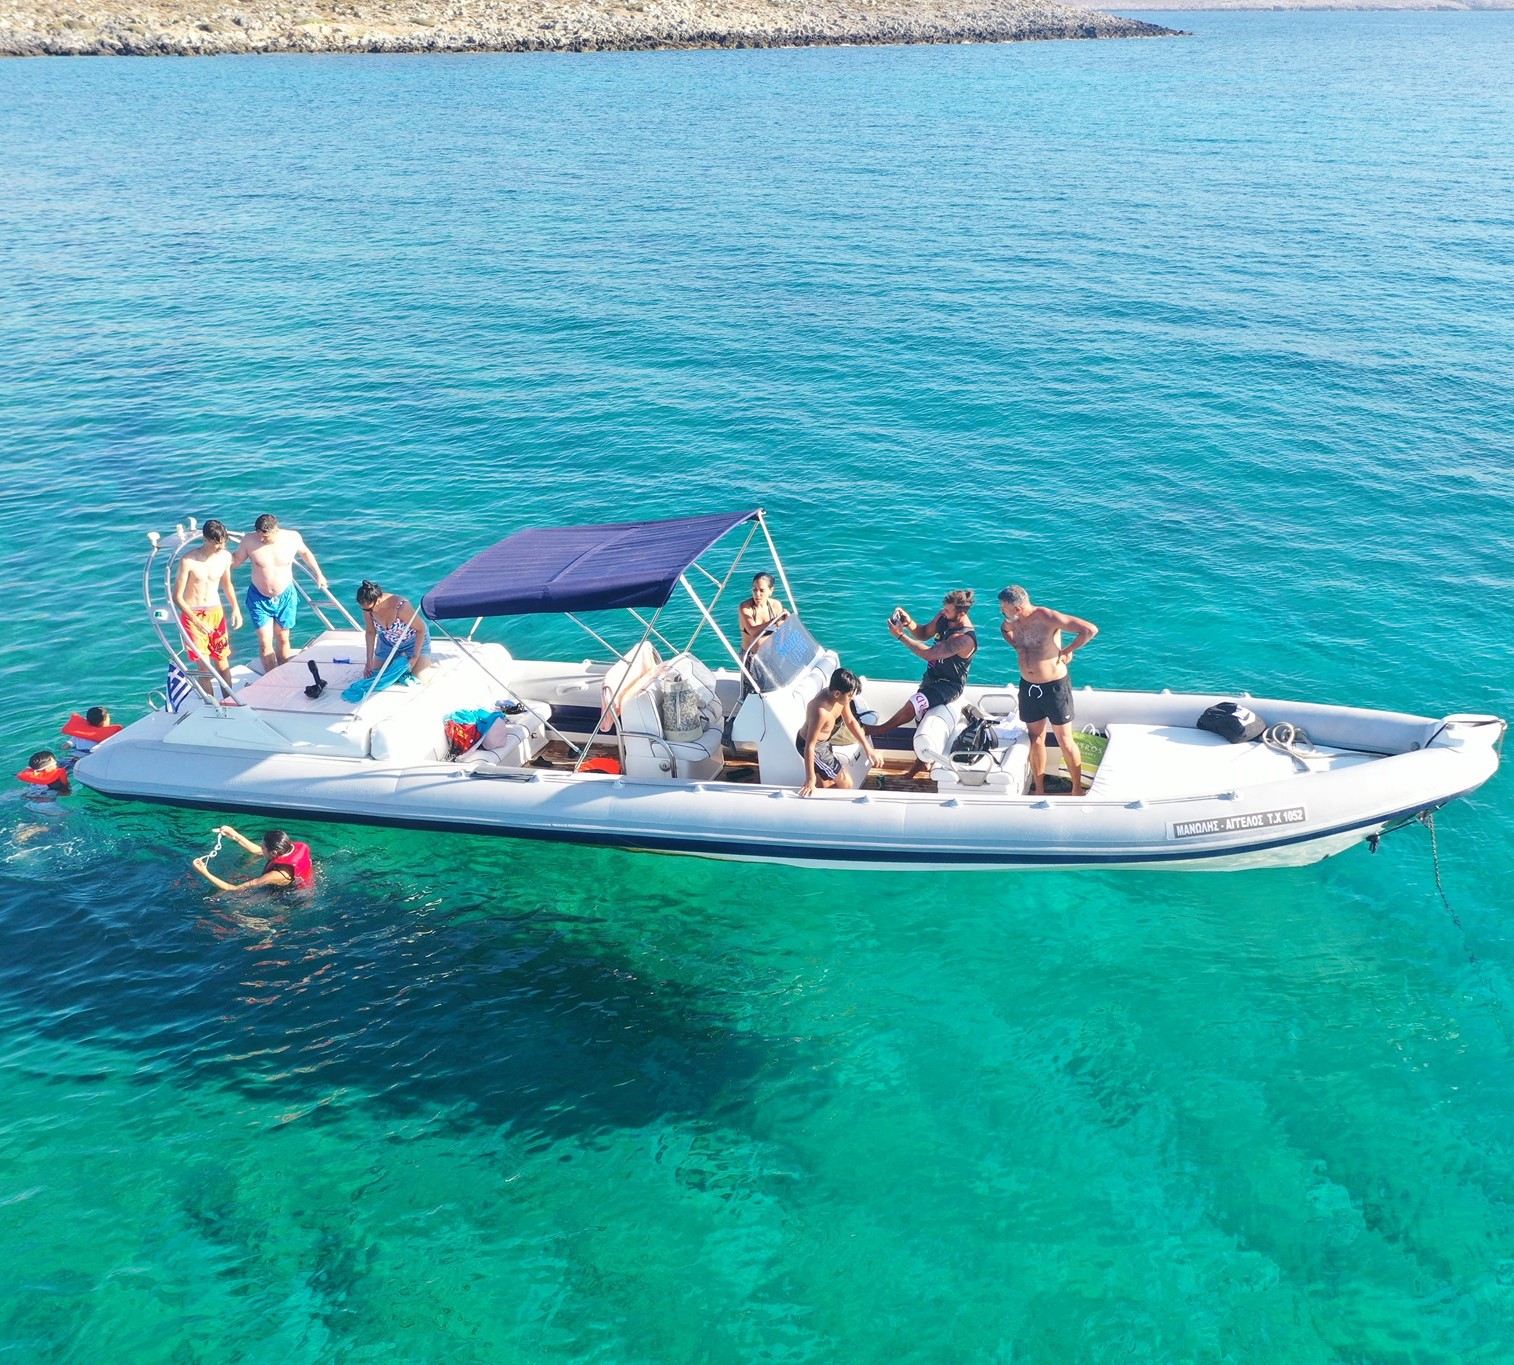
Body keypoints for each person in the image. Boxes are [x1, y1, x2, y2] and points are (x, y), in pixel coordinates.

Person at [998, 584, 1098, 795]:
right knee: (1036, 738)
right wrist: (1016, 645)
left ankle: (1076, 790)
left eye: (1003, 606)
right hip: (1028, 686)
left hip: (1054, 687)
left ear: (1017, 607)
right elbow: (1005, 630)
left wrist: (1067, 650)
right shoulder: (1012, 620)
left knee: (1065, 740)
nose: (1001, 610)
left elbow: (1089, 630)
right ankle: (1040, 789)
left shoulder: (1046, 617)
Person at [865, 590, 979, 759]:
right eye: (944, 608)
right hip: (932, 676)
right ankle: (921, 762)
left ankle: (878, 730)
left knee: (914, 704)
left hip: (949, 685)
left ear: (961, 614)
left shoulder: (964, 639)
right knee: (920, 719)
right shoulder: (944, 617)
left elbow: (929, 654)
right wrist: (909, 622)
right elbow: (924, 633)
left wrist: (901, 636)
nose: (944, 612)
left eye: (948, 610)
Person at [230, 513, 327, 674]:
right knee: (265, 642)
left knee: (283, 638)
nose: (262, 539)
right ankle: (270, 676)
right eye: (259, 535)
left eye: (265, 536)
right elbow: (236, 561)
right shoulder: (249, 540)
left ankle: (283, 673)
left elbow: (305, 553)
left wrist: (318, 574)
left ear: (275, 530)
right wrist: (217, 557)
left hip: (285, 596)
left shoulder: (292, 538)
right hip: (259, 598)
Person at [173, 519, 243, 699]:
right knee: (204, 666)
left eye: (223, 542)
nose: (221, 547)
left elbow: (227, 584)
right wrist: (197, 621)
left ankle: (229, 700)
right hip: (193, 615)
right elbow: (177, 597)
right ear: (205, 539)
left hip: (215, 612)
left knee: (222, 661)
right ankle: (211, 704)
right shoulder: (188, 560)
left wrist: (236, 608)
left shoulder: (225, 557)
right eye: (217, 543)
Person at [797, 668, 880, 797]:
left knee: (825, 783)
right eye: (850, 696)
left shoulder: (841, 698)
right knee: (846, 784)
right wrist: (810, 779)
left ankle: (816, 796)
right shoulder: (821, 711)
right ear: (837, 693)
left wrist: (867, 748)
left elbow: (850, 721)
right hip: (814, 746)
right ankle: (812, 792)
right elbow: (810, 746)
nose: (851, 699)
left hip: (825, 742)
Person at [192, 825, 314, 894]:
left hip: (291, 900)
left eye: (263, 847)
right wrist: (234, 834)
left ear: (273, 853)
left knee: (235, 908)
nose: (261, 849)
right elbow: (258, 851)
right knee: (236, 876)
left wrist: (204, 872)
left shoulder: (275, 875)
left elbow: (233, 889)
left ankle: (263, 927)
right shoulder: (291, 848)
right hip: (302, 883)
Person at [357, 580, 435, 682]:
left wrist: (415, 656)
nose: (367, 611)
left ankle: (420, 659)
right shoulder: (367, 608)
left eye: (369, 609)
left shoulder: (401, 607)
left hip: (413, 641)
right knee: (373, 676)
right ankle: (399, 659)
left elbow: (420, 629)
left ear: (378, 601)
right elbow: (371, 632)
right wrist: (368, 662)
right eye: (364, 609)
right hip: (388, 642)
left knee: (420, 679)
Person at [738, 573, 788, 653]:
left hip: (770, 654)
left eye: (762, 590)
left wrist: (788, 620)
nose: (757, 594)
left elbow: (782, 632)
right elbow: (752, 631)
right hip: (749, 656)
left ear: (771, 590)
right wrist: (775, 621)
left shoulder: (776, 605)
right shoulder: (745, 607)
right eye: (754, 589)